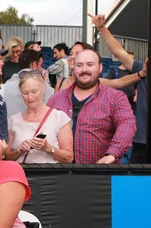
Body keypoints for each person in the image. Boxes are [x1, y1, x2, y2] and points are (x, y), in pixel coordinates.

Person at [48, 49, 136, 164]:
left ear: (100, 68)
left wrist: (112, 154)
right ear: (73, 68)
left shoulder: (116, 97)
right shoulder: (56, 99)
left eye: (90, 65)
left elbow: (127, 125)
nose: (84, 70)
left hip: (99, 173)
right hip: (59, 173)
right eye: (79, 65)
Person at [91, 14, 148, 164]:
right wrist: (102, 28)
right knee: (136, 185)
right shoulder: (144, 69)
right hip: (143, 142)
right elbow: (118, 51)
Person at [4, 70, 74, 164]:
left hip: (51, 176)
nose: (30, 97)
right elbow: (6, 158)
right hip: (22, 175)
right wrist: (19, 151)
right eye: (25, 93)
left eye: (34, 91)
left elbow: (69, 158)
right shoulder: (13, 120)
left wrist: (48, 148)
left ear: (43, 89)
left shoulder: (60, 118)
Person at [1, 49, 55, 124]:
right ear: (34, 65)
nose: (42, 69)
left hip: (10, 131)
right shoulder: (45, 87)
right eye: (40, 65)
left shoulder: (4, 87)